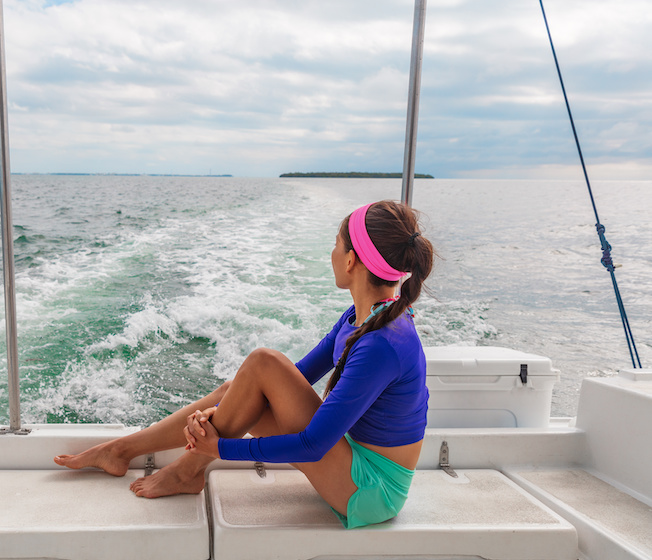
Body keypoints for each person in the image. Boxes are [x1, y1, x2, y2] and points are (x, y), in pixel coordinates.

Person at [55, 200, 434, 528]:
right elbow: (293, 379)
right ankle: (122, 450)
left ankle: (187, 469)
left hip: (372, 491)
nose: (331, 253)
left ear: (351, 260)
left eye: (335, 245)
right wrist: (230, 405)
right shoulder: (363, 316)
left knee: (261, 363)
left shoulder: (383, 342)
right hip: (352, 457)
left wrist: (219, 449)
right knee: (242, 383)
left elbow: (314, 445)